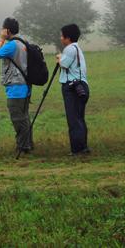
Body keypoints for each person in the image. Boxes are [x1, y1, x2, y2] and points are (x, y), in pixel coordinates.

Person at [0, 17, 32, 154]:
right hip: (25, 86)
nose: (1, 31)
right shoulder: (23, 42)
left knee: (18, 120)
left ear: (7, 30)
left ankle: (23, 148)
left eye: (3, 29)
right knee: (24, 118)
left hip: (16, 87)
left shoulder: (12, 45)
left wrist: (1, 39)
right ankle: (28, 145)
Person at [55, 23, 90, 155]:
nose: (60, 38)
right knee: (79, 118)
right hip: (81, 86)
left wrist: (59, 57)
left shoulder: (69, 49)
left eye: (62, 36)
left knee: (73, 119)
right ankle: (83, 147)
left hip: (72, 87)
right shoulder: (77, 48)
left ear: (68, 37)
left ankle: (77, 149)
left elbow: (64, 64)